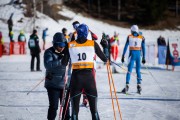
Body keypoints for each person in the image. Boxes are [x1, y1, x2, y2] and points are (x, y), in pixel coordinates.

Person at [64, 24, 107, 120]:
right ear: (86, 33)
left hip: (76, 81)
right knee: (94, 112)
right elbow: (105, 59)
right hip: (89, 81)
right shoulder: (93, 43)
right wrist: (105, 47)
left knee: (75, 113)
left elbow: (63, 63)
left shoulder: (70, 45)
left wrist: (65, 51)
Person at [44, 32, 70, 120]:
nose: (62, 47)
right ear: (55, 44)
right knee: (54, 106)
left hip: (64, 84)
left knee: (66, 107)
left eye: (64, 44)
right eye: (60, 45)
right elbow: (47, 64)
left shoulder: (66, 51)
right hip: (53, 84)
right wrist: (61, 61)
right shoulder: (49, 52)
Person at [121, 25, 146, 94]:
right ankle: (139, 86)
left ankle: (127, 85)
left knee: (129, 71)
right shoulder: (142, 37)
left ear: (132, 30)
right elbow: (144, 48)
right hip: (138, 56)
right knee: (138, 71)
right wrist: (144, 57)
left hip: (132, 56)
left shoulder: (129, 37)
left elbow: (125, 47)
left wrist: (123, 56)